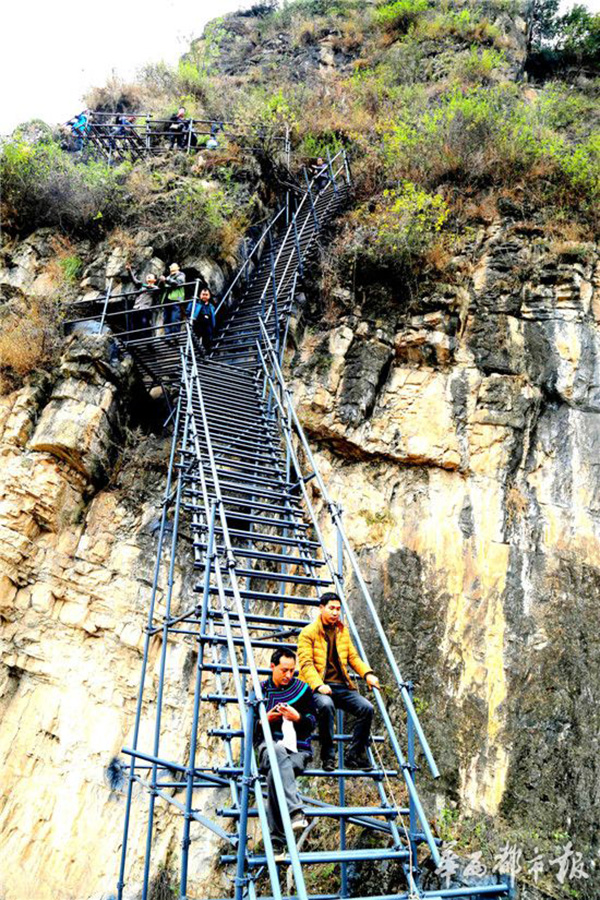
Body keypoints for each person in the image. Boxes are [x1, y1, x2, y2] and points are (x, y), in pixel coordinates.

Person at [297, 592, 380, 771]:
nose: (335, 613)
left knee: (367, 708)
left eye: (338, 609)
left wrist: (367, 674)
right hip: (315, 687)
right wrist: (319, 685)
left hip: (340, 686)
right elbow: (306, 664)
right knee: (326, 706)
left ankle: (354, 755)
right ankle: (328, 756)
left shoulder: (342, 631)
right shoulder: (308, 633)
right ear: (321, 608)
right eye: (331, 608)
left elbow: (353, 657)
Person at [254, 647, 316, 851]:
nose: (289, 675)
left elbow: (311, 723)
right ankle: (295, 811)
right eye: (284, 670)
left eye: (292, 671)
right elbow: (249, 730)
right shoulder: (259, 690)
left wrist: (297, 718)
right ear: (272, 667)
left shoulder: (303, 690)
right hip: (268, 746)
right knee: (277, 751)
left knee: (275, 774)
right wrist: (264, 721)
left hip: (298, 749)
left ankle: (277, 840)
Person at [126, 266, 160, 338]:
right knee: (134, 325)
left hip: (145, 308)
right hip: (136, 307)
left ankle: (146, 340)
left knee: (144, 324)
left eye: (150, 277)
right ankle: (134, 341)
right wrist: (129, 271)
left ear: (154, 280)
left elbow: (156, 291)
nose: (148, 277)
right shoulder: (142, 286)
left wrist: (148, 286)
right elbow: (134, 280)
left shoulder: (155, 288)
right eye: (147, 276)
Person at [160, 263, 186, 334]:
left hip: (176, 299)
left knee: (175, 318)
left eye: (173, 266)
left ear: (178, 267)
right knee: (166, 319)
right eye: (171, 266)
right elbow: (163, 287)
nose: (171, 267)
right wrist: (162, 282)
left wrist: (166, 280)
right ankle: (168, 336)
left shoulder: (181, 275)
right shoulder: (168, 277)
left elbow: (177, 283)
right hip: (167, 300)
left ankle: (175, 336)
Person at [189, 287, 216, 352]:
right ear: (200, 295)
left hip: (207, 324)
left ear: (209, 296)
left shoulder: (211, 306)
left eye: (206, 295)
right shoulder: (196, 303)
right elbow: (188, 310)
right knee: (196, 338)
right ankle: (194, 351)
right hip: (198, 323)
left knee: (207, 339)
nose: (204, 296)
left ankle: (207, 352)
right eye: (203, 294)